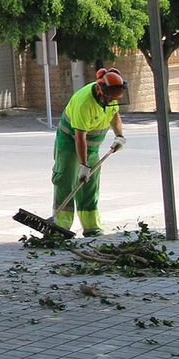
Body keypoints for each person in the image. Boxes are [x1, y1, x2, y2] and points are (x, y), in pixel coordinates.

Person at [52, 67, 128, 236]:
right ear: (101, 91)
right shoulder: (84, 103)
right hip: (70, 142)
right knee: (66, 181)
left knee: (90, 184)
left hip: (92, 146)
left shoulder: (111, 95)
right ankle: (60, 227)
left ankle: (91, 226)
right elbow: (80, 138)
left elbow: (114, 116)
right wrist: (83, 165)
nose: (114, 100)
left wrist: (119, 136)